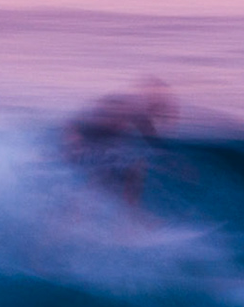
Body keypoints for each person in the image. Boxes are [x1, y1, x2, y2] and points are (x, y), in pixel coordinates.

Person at [61, 80, 178, 224]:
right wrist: (73, 142)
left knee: (132, 169)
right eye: (160, 107)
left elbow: (153, 140)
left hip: (97, 142)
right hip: (87, 141)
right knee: (109, 177)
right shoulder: (128, 106)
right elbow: (76, 122)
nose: (161, 113)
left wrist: (172, 160)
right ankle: (74, 216)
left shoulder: (136, 110)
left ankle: (128, 216)